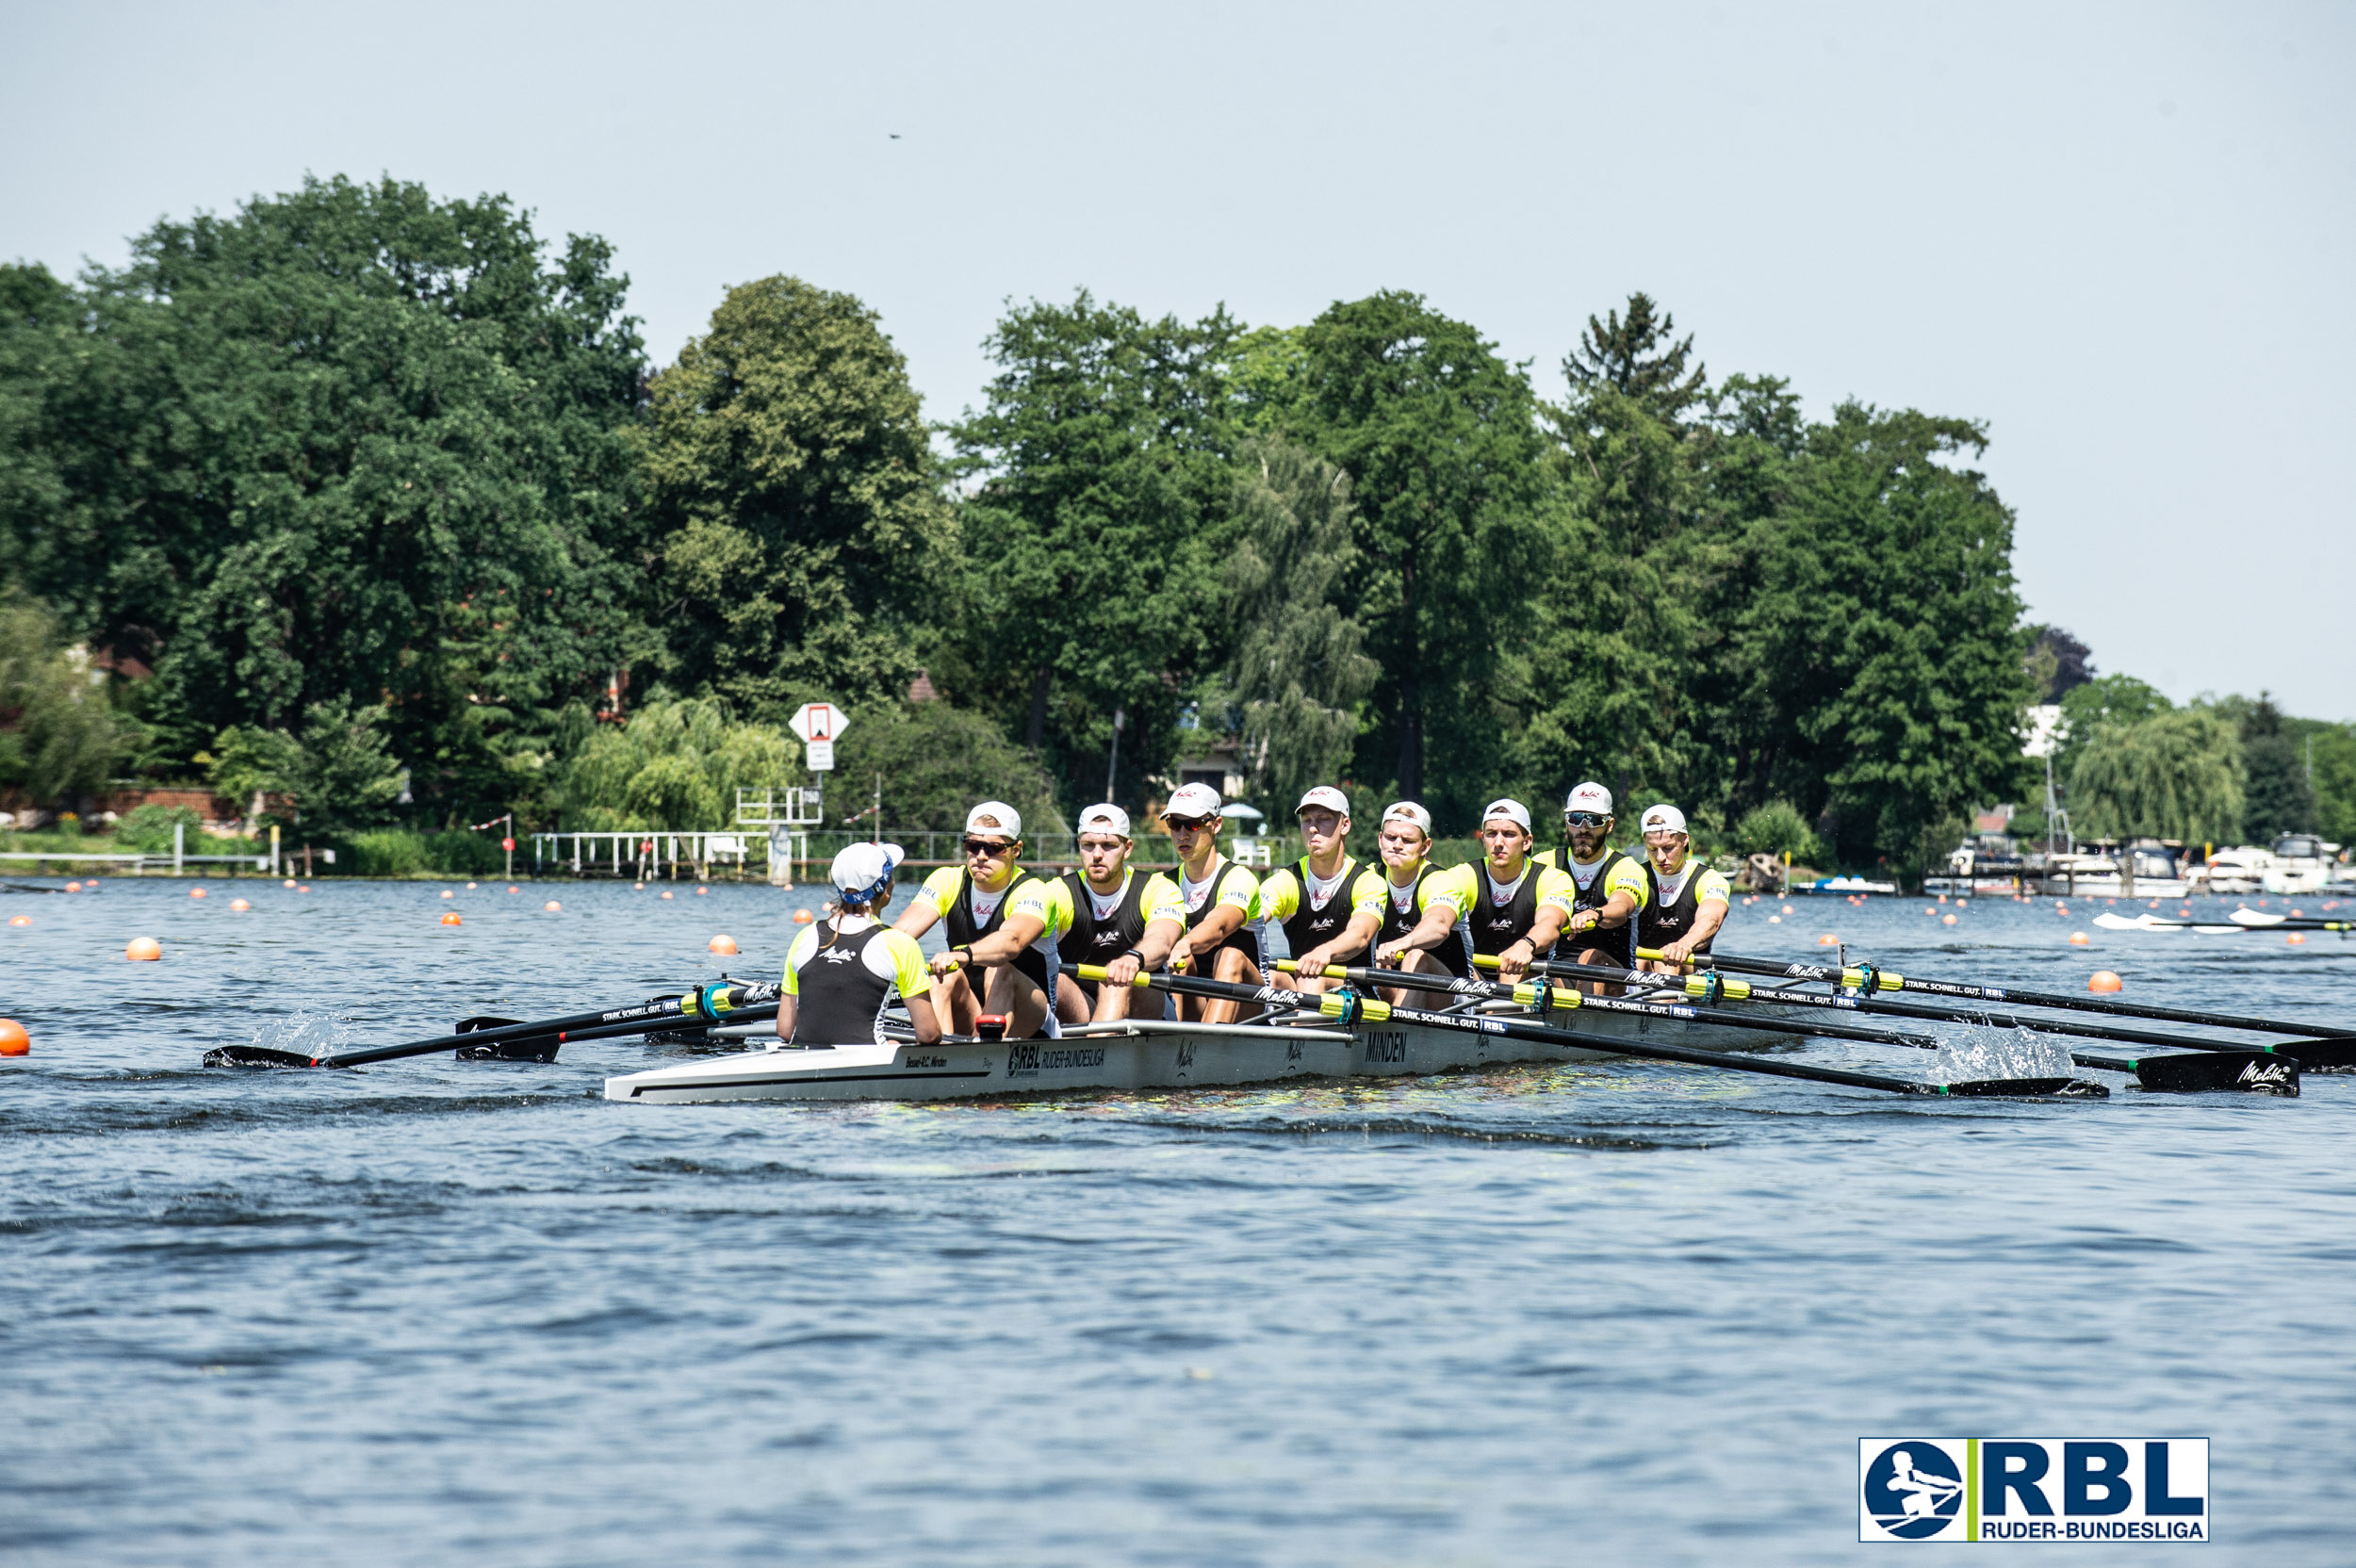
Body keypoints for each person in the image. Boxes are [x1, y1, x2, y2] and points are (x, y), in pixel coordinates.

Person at [895, 800, 1069, 1038]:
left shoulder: (1034, 891)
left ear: (1016, 850)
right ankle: (938, 1060)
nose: (981, 856)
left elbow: (1011, 941)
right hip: (974, 1013)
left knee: (1000, 970)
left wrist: (963, 954)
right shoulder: (947, 880)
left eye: (993, 848)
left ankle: (981, 1056)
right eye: (973, 846)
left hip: (1033, 1022)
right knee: (943, 975)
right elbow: (898, 937)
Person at [1383, 799, 1571, 983]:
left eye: (1508, 834)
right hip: (1477, 979)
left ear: (1527, 842)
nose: (1498, 842)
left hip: (1532, 975)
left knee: (1511, 973)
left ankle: (1495, 1011)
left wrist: (1526, 945)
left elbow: (1550, 923)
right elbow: (1439, 917)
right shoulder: (1462, 876)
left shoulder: (1552, 879)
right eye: (1491, 834)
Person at [777, 842, 941, 1047]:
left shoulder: (804, 936)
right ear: (886, 890)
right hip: (869, 1062)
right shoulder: (900, 944)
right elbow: (928, 1034)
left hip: (804, 1057)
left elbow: (785, 1029)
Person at [1055, 803, 1187, 1023]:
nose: (1097, 855)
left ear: (1127, 848)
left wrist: (1133, 959)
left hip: (1146, 1004)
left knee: (1117, 981)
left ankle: (1097, 1049)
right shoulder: (1058, 891)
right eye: (1088, 845)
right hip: (1083, 1006)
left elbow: (1162, 939)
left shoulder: (1157, 888)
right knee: (1049, 978)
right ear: (1079, 845)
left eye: (1108, 846)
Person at [1260, 786, 1386, 994]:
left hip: (1355, 991)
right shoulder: (1288, 880)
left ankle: (1296, 1024)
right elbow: (1254, 916)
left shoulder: (1367, 882)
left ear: (1345, 825)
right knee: (1269, 977)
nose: (1312, 828)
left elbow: (1361, 935)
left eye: (1324, 819)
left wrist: (1325, 952)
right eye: (1307, 820)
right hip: (1304, 983)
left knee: (1313, 974)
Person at [1162, 781, 1266, 1023]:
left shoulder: (1239, 878)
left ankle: (1204, 1051)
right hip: (1197, 1001)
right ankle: (1169, 1044)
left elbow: (1219, 926)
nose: (1183, 834)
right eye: (1175, 824)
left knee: (1229, 955)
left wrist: (1186, 942)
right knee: (1180, 962)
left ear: (1216, 825)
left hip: (1250, 1007)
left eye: (1194, 824)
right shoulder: (1162, 884)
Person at [1366, 800, 1476, 1004]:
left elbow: (1439, 925)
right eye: (1391, 838)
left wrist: (1403, 943)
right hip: (1394, 990)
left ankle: (1399, 1029)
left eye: (1407, 840)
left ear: (1425, 847)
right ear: (1380, 840)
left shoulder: (1441, 880)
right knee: (1376, 965)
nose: (1397, 845)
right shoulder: (1367, 878)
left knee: (1416, 957)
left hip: (1453, 1000)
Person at [1547, 781, 1651, 991]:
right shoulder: (1546, 863)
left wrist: (1595, 914)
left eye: (1594, 820)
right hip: (1558, 973)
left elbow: (1622, 907)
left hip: (1617, 977)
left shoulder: (1626, 868)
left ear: (1609, 825)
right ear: (1567, 822)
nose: (1583, 828)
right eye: (1576, 818)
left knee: (1590, 958)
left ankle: (1582, 1019)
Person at [1634, 803, 1732, 972]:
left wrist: (1683, 945)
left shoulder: (1709, 879)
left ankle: (1659, 997)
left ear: (1685, 840)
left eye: (1668, 848)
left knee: (1666, 961)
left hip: (1688, 968)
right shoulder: (1634, 875)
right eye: (1652, 849)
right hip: (1640, 966)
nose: (1660, 857)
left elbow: (1711, 920)